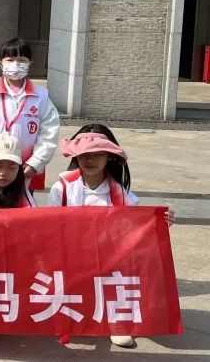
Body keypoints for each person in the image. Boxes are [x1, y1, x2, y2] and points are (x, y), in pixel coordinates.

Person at [46, 124, 174, 348]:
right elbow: (48, 228)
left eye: (98, 154)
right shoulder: (61, 188)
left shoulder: (122, 194)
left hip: (110, 260)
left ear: (110, 157)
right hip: (71, 257)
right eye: (84, 154)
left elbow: (137, 232)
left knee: (126, 269)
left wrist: (160, 223)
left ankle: (117, 320)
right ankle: (71, 312)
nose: (90, 159)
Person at [0, 38, 60, 194]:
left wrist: (35, 164)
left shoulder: (41, 97)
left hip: (26, 168)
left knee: (23, 206)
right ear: (1, 64)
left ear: (30, 63)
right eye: (10, 60)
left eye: (21, 60)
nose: (16, 64)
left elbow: (49, 134)